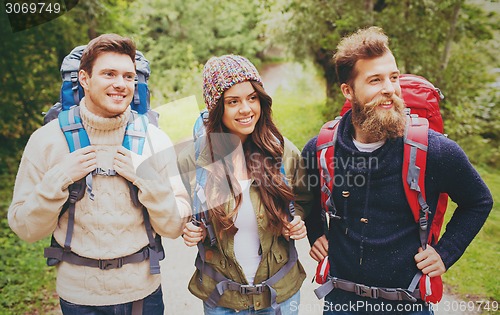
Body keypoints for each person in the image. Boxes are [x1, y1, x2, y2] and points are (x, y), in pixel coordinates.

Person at [302, 26, 493, 314]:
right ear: (348, 90)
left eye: (393, 77)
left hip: (407, 304)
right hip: (340, 302)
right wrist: (315, 232)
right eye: (375, 80)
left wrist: (446, 253)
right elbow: (305, 195)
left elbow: (478, 200)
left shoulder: (434, 149)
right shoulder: (323, 147)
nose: (390, 88)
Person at [8, 34, 190, 314]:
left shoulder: (154, 139)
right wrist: (59, 179)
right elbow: (25, 227)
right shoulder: (47, 141)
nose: (120, 84)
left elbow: (174, 226)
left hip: (143, 295)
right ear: (84, 78)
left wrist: (145, 180)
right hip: (79, 299)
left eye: (129, 76)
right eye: (109, 74)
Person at [178, 55, 312, 315]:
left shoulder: (282, 151)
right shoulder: (193, 159)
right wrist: (187, 226)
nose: (246, 109)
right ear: (217, 107)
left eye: (252, 98)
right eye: (233, 102)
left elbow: (304, 199)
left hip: (279, 298)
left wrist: (294, 221)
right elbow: (180, 205)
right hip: (222, 300)